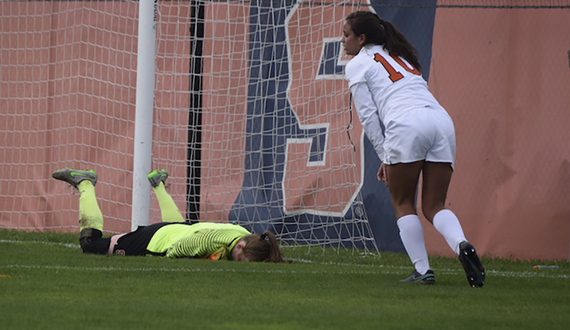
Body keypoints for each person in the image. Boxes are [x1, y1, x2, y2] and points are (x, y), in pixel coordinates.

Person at [341, 11, 484, 287]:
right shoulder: (400, 55)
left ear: (362, 38)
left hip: (406, 124)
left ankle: (423, 271)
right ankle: (462, 244)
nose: (342, 41)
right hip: (440, 121)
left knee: (403, 203)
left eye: (346, 35)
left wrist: (384, 154)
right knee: (434, 205)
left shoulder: (357, 64)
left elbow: (368, 117)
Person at [52, 168, 285, 263]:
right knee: (91, 246)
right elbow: (179, 250)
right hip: (155, 239)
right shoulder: (212, 242)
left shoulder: (243, 232)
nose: (236, 264)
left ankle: (158, 185)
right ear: (242, 247)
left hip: (180, 227)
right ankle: (85, 183)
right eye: (239, 260)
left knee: (178, 226)